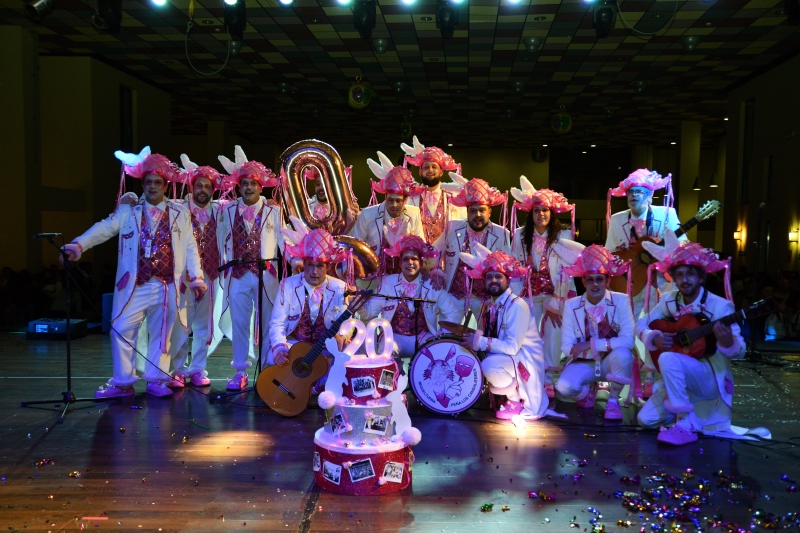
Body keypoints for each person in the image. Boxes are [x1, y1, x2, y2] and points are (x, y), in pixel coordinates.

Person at [61, 147, 206, 398]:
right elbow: (105, 228)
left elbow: (191, 246)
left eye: (157, 182)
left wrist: (197, 277)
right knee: (121, 328)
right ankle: (123, 382)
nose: (152, 187)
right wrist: (79, 244)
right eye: (148, 182)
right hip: (135, 284)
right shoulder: (129, 210)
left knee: (162, 334)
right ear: (143, 184)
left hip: (165, 284)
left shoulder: (180, 213)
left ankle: (157, 380)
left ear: (165, 185)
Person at [636, 232, 758, 445]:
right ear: (673, 278)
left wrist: (728, 342)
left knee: (667, 358)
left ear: (701, 277)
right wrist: (653, 338)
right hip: (680, 374)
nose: (684, 280)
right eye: (680, 275)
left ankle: (684, 424)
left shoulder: (721, 306)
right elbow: (641, 323)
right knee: (645, 419)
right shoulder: (668, 301)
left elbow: (740, 350)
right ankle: (688, 414)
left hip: (708, 378)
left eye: (690, 274)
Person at [605, 168, 685, 397]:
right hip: (630, 281)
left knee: (656, 326)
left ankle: (651, 376)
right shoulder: (618, 219)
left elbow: (682, 243)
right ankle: (624, 373)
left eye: (639, 192)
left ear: (650, 196)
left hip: (659, 282)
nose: (633, 196)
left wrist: (663, 250)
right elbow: (610, 252)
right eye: (630, 192)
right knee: (625, 325)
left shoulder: (666, 214)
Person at [510, 176, 584, 398]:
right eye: (536, 210)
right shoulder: (520, 235)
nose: (541, 214)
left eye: (545, 210)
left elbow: (568, 269)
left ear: (551, 213)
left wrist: (557, 299)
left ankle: (550, 377)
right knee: (526, 332)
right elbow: (515, 266)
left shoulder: (563, 235)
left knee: (554, 331)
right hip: (528, 293)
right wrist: (515, 297)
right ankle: (529, 375)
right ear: (530, 213)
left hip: (556, 292)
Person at [217, 146, 284, 391]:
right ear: (239, 186)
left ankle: (266, 369)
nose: (248, 188)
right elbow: (196, 207)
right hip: (238, 274)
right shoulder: (226, 209)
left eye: (253, 184)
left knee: (268, 323)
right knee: (240, 322)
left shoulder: (274, 210)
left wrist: (295, 260)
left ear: (260, 186)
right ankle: (240, 371)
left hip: (266, 274)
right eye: (244, 183)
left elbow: (283, 239)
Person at [459, 245, 549, 421]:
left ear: (507, 280)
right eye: (489, 277)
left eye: (498, 276)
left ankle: (515, 400)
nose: (493, 280)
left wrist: (479, 342)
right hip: (510, 357)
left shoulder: (516, 306)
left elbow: (512, 347)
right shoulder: (490, 305)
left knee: (489, 365)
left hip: (525, 359)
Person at [166, 155, 229, 389]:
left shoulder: (221, 210)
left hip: (210, 276)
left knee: (205, 326)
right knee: (182, 325)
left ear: (213, 190)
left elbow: (246, 204)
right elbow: (154, 201)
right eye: (199, 186)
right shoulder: (177, 209)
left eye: (207, 187)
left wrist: (268, 200)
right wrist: (133, 198)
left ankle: (198, 369)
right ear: (192, 188)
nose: (203, 190)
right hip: (184, 278)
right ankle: (178, 369)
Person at [556, 245, 636, 420]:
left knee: (623, 355)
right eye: (590, 280)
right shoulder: (571, 305)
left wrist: (590, 344)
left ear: (607, 281)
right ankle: (587, 392)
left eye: (599, 279)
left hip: (609, 362)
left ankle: (613, 401)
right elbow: (567, 347)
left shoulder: (621, 301)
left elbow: (628, 341)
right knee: (563, 387)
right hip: (585, 362)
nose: (595, 284)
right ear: (583, 282)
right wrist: (589, 351)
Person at [360, 235, 462, 368]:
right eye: (406, 259)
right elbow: (369, 313)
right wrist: (359, 304)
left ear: (421, 263)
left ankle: (421, 381)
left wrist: (441, 334)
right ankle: (390, 381)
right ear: (400, 263)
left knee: (436, 354)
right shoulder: (387, 283)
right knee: (385, 352)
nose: (410, 262)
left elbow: (454, 313)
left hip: (423, 337)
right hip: (394, 336)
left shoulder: (432, 285)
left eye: (414, 259)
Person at [269, 227, 350, 373]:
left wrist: (342, 337)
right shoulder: (288, 285)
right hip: (296, 347)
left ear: (328, 267)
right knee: (272, 356)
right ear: (304, 264)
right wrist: (280, 348)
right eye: (310, 265)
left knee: (349, 356)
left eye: (319, 266)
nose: (314, 271)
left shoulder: (340, 287)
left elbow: (348, 323)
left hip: (326, 348)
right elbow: (277, 323)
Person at [433, 175, 511, 318]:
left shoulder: (502, 234)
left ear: (489, 212)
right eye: (473, 210)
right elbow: (433, 252)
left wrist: (498, 297)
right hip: (454, 295)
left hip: (486, 298)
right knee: (447, 330)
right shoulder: (452, 228)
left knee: (485, 331)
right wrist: (436, 271)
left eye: (482, 210)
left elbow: (508, 269)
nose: (477, 214)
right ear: (467, 212)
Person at [350, 152, 425, 281]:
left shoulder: (413, 213)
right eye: (390, 200)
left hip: (403, 277)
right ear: (385, 196)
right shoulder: (367, 214)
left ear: (405, 200)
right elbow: (356, 247)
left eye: (398, 201)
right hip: (374, 278)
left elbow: (421, 246)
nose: (394, 205)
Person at [400, 136, 466, 243]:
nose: (430, 170)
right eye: (426, 167)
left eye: (434, 167)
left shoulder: (453, 198)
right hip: (417, 252)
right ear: (420, 172)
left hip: (446, 252)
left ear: (441, 172)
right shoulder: (410, 198)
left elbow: (462, 228)